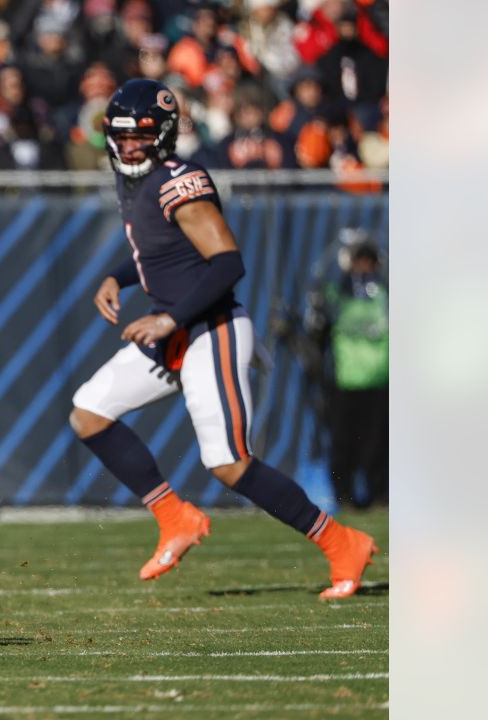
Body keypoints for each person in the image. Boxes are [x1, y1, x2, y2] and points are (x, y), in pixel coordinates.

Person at [67, 78, 378, 599]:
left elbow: (227, 262)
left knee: (229, 463)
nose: (127, 146)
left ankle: (342, 542)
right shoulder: (134, 181)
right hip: (175, 327)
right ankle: (174, 517)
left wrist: (169, 320)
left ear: (163, 136)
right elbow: (157, 250)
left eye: (140, 136)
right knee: (89, 413)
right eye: (119, 136)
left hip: (210, 327)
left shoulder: (178, 179)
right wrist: (116, 277)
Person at [306, 231, 389, 508]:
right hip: (346, 380)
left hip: (379, 379)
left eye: (369, 260)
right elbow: (319, 328)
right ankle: (345, 496)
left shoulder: (386, 294)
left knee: (378, 445)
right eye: (359, 260)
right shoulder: (337, 292)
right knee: (343, 444)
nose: (364, 266)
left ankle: (379, 495)